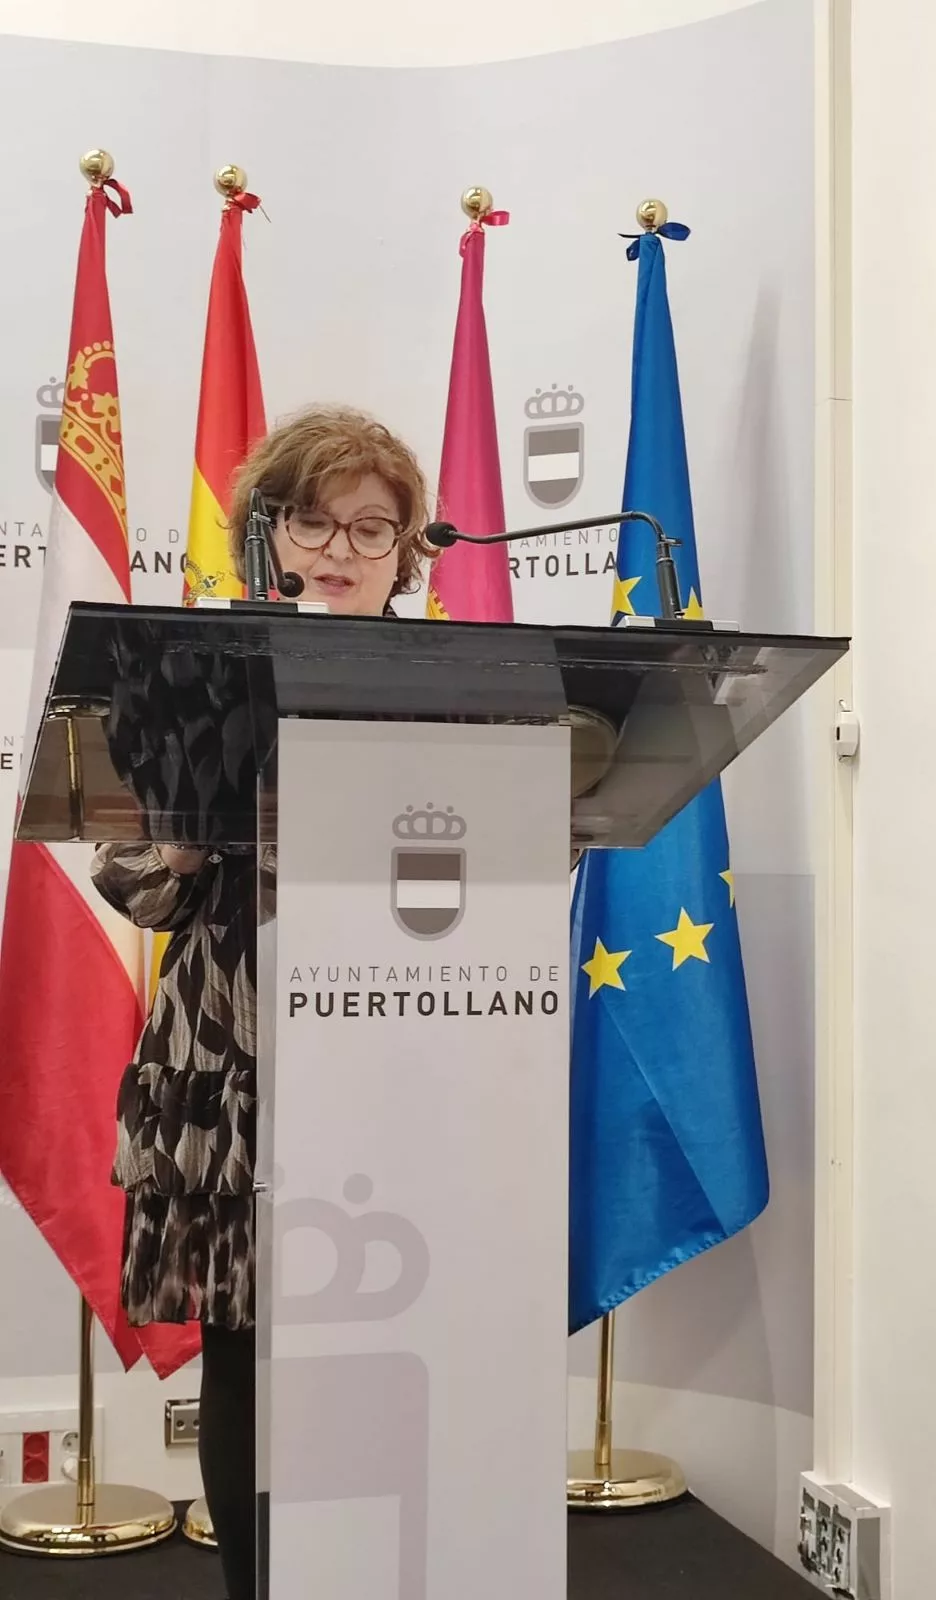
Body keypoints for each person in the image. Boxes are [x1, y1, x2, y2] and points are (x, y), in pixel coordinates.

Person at [90, 405, 432, 1600]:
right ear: (265, 534)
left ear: (408, 552)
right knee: (248, 1353)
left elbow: (529, 853)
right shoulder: (196, 679)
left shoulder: (468, 688)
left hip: (414, 1057)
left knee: (403, 1337)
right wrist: (193, 832)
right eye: (313, 521)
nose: (341, 549)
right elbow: (129, 881)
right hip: (239, 1059)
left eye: (373, 527)